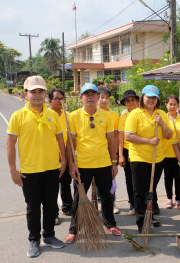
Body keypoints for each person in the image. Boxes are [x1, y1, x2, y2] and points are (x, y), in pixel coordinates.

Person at [7, 76, 66, 258]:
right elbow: (10, 143)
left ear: (45, 95)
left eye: (41, 91)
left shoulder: (52, 115)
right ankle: (34, 239)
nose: (37, 95)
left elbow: (59, 139)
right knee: (33, 208)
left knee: (50, 206)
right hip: (30, 172)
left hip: (51, 169)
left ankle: (49, 236)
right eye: (33, 91)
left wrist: (63, 161)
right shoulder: (18, 116)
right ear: (26, 94)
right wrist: (13, 170)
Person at [65, 83, 120, 244]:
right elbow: (71, 142)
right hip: (82, 165)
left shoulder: (107, 116)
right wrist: (71, 164)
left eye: (93, 94)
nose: (90, 97)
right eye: (86, 94)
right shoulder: (73, 116)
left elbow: (111, 140)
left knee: (107, 197)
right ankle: (73, 229)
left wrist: (114, 162)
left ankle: (111, 224)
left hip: (104, 164)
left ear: (97, 97)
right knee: (78, 198)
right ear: (81, 97)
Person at [124, 85, 173, 232]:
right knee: (139, 190)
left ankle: (149, 215)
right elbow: (128, 136)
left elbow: (168, 135)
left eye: (154, 97)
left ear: (157, 99)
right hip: (139, 157)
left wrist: (162, 124)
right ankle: (141, 222)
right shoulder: (135, 114)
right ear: (142, 97)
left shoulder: (161, 114)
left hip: (157, 158)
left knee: (150, 190)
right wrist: (149, 141)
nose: (151, 100)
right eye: (148, 97)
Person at [48, 88, 73, 225]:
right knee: (51, 187)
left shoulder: (68, 116)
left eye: (61, 98)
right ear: (50, 100)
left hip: (66, 155)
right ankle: (54, 213)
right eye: (56, 98)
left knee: (65, 183)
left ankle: (67, 207)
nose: (59, 101)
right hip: (50, 157)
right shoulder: (47, 115)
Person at [98, 87, 120, 214]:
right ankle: (100, 202)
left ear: (110, 100)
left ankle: (112, 202)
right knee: (96, 180)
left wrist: (115, 153)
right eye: (101, 97)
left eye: (106, 98)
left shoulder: (114, 115)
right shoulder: (93, 113)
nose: (104, 100)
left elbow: (115, 135)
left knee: (111, 178)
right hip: (96, 152)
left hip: (109, 152)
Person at [163, 95, 180, 209]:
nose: (172, 106)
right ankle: (169, 199)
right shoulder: (163, 118)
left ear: (178, 106)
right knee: (168, 177)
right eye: (170, 104)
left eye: (175, 104)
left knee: (178, 177)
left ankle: (178, 199)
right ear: (166, 105)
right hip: (166, 153)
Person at [118, 90, 139, 215]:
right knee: (129, 179)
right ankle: (133, 204)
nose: (131, 102)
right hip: (127, 150)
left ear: (137, 101)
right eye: (128, 101)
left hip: (141, 149)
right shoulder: (123, 116)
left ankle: (148, 204)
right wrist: (120, 155)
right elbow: (120, 137)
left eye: (133, 100)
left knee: (142, 179)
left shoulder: (143, 113)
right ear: (125, 103)